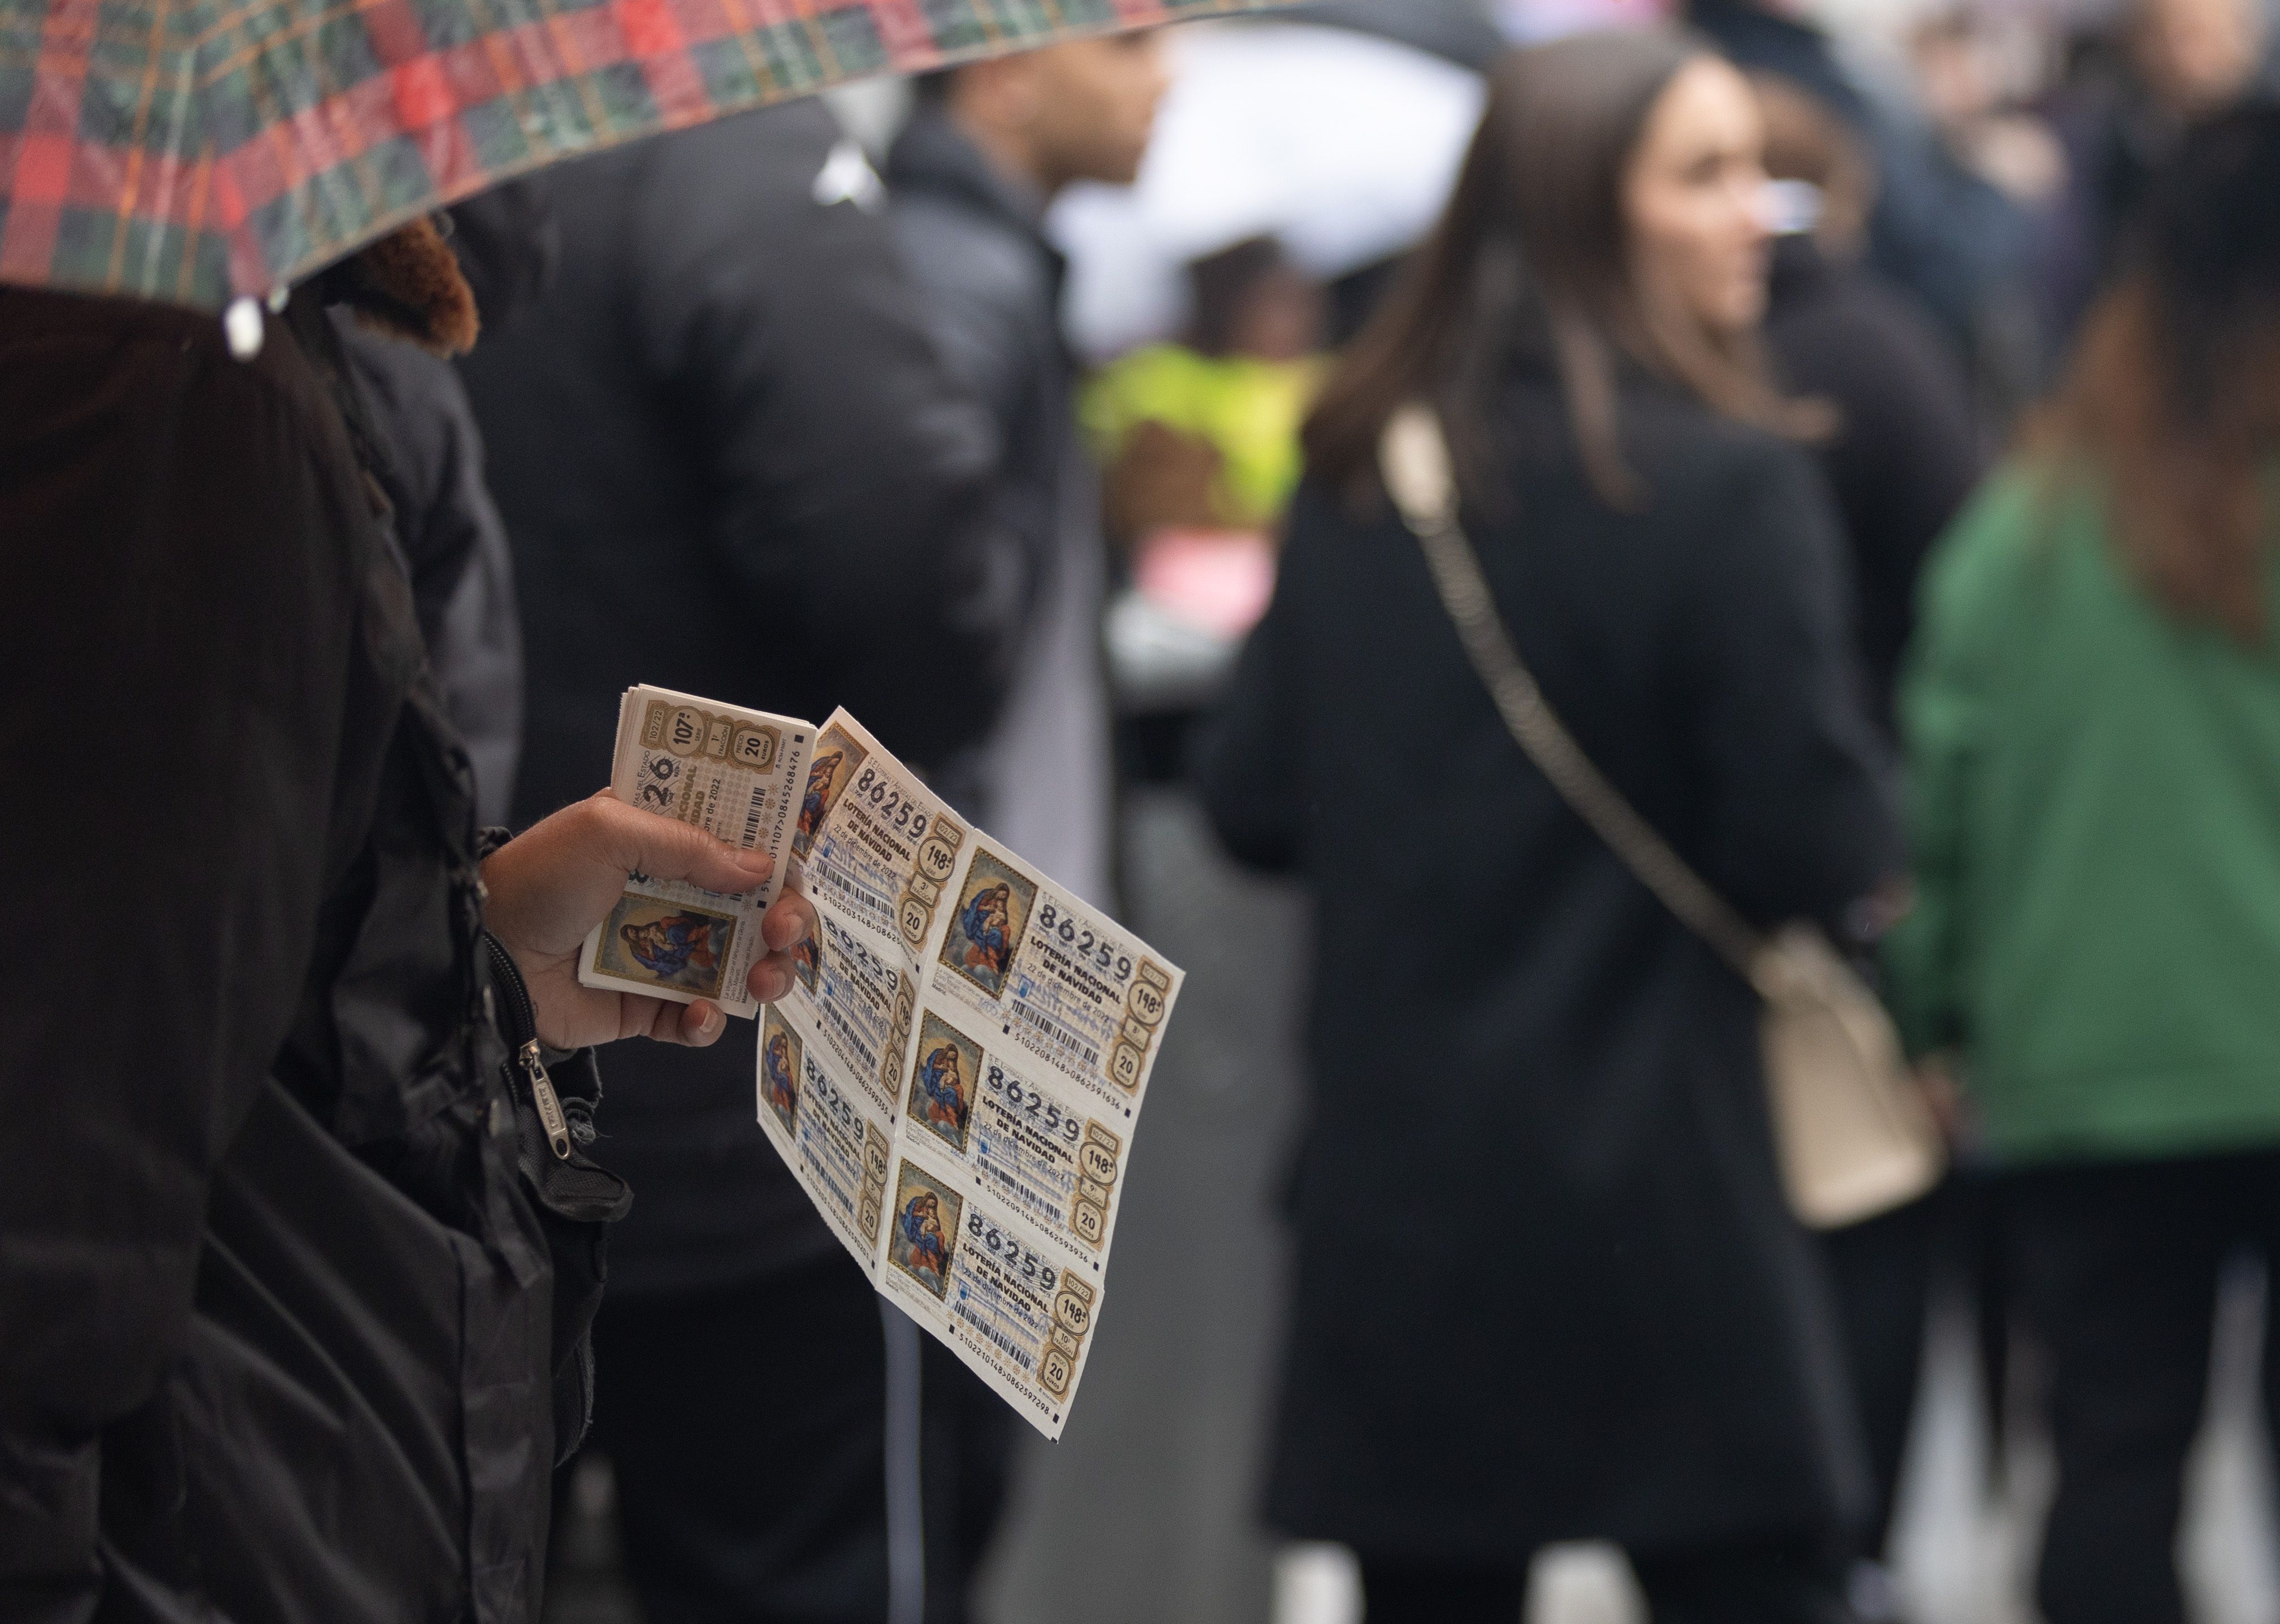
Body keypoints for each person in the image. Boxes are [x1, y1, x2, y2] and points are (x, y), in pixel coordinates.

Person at [0, 224, 814, 1622]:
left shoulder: (204, 341)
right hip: (216, 1520)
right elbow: (61, 1164)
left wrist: (472, 961)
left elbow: (200, 985)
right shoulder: (157, 372)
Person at [1197, 30, 1901, 1623]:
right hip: (1675, 1204)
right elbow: (1813, 840)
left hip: (1411, 1205)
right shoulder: (1729, 488)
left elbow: (1249, 801)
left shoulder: (1363, 468)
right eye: (1705, 174)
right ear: (1586, 208)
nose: (1756, 214)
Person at [457, 98, 1028, 1624]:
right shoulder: (714, 149)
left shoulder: (372, 176)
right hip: (743, 1084)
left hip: (412, 1081)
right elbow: (901, 556)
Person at [1887, 103, 2280, 1624]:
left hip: (2084, 1063)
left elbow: (1941, 799)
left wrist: (1932, 1017)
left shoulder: (2033, 525)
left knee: (2112, 1456)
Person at [888, 29, 1173, 910]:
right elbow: (936, 607)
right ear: (1002, 73)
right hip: (985, 855)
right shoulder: (955, 278)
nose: (1166, 77)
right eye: (1128, 45)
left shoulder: (975, 258)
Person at [2036, 0, 2277, 351]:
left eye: (2195, 35)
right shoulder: (2107, 138)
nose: (2180, 56)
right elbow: (2074, 270)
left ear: (2246, 38)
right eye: (2160, 37)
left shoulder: (2264, 149)